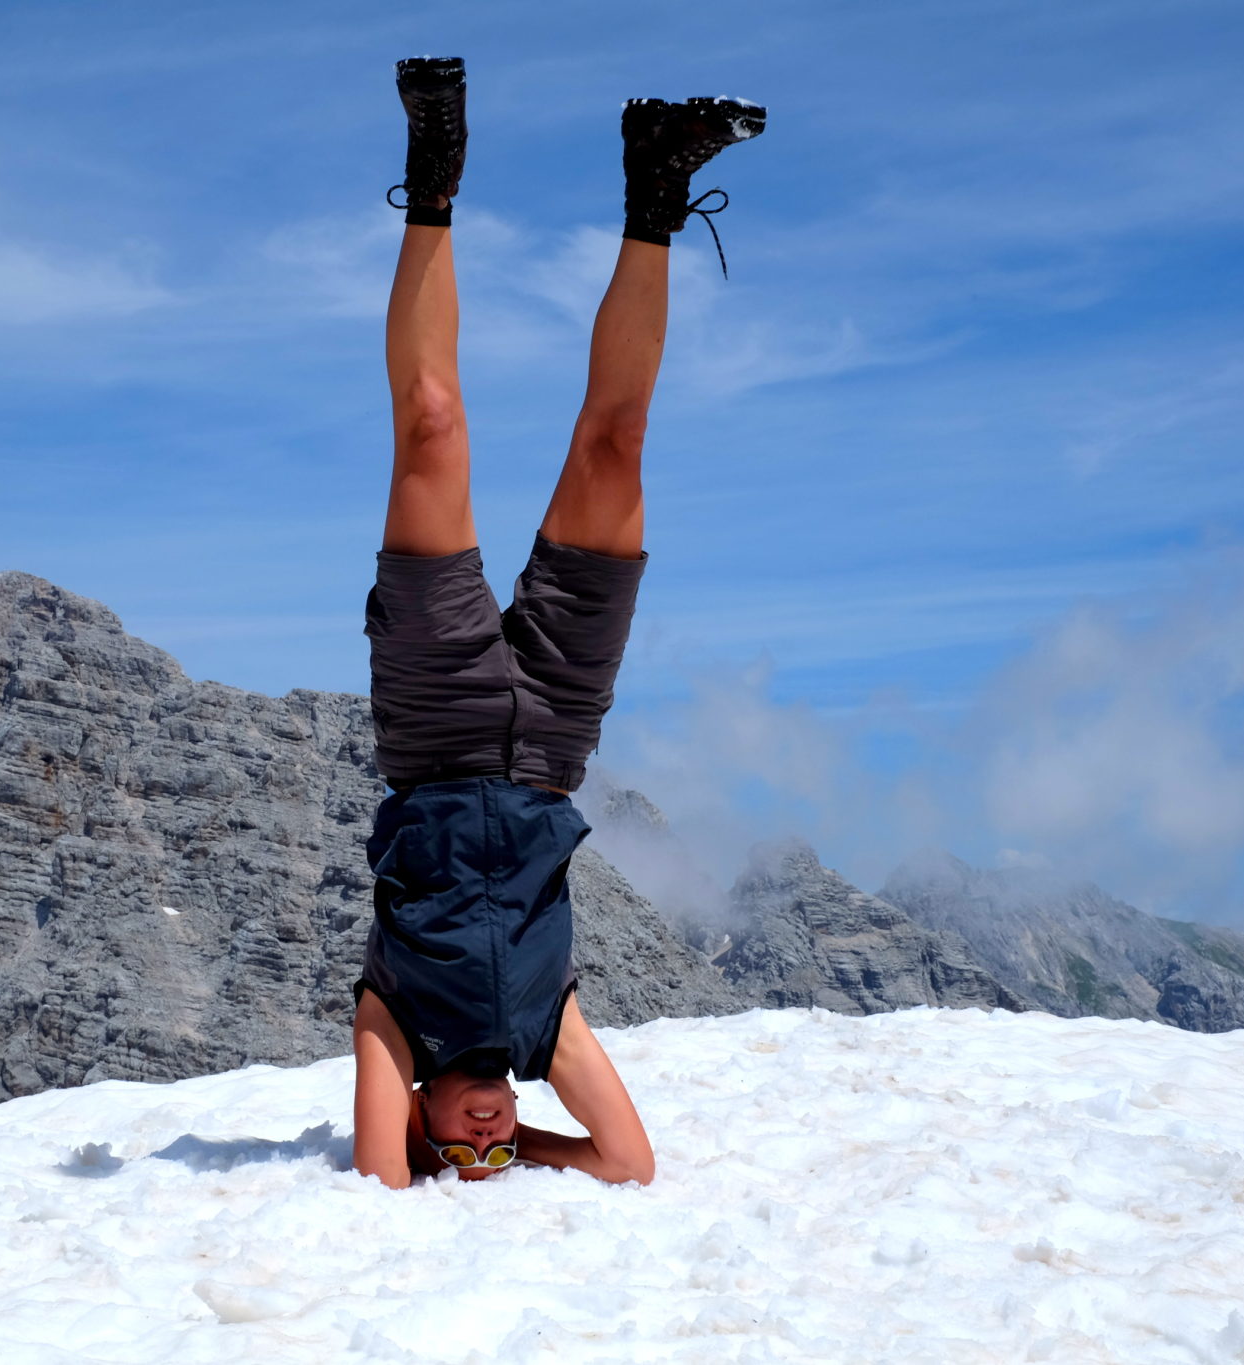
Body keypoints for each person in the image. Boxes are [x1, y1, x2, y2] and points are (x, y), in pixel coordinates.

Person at [350, 56, 764, 1188]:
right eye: (499, 1137)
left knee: (429, 428)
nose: (484, 1131)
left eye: (465, 1138)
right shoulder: (548, 1033)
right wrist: (526, 1146)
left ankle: (432, 170)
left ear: (424, 1117)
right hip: (550, 748)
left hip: (433, 732)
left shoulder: (390, 1024)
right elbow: (625, 1165)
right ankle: (656, 186)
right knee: (616, 444)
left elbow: (379, 1177)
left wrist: (431, 1154)